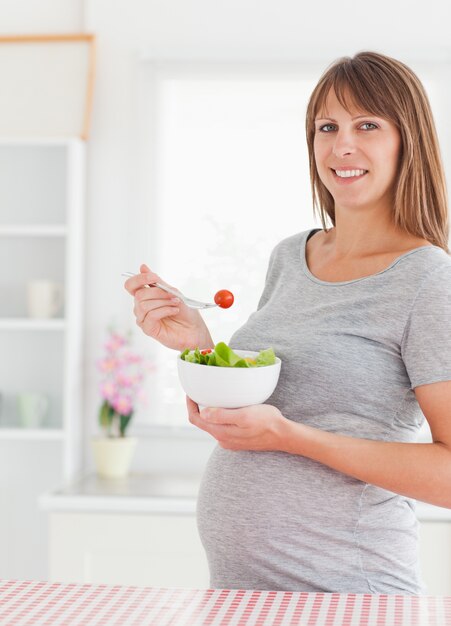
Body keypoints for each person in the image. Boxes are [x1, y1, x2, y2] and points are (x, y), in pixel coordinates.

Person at [125, 50, 451, 594]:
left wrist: (293, 438)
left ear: (408, 141)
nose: (342, 145)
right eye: (328, 126)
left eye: (367, 125)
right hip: (240, 592)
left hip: (347, 595)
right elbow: (274, 399)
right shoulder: (290, 256)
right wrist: (201, 343)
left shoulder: (428, 280)